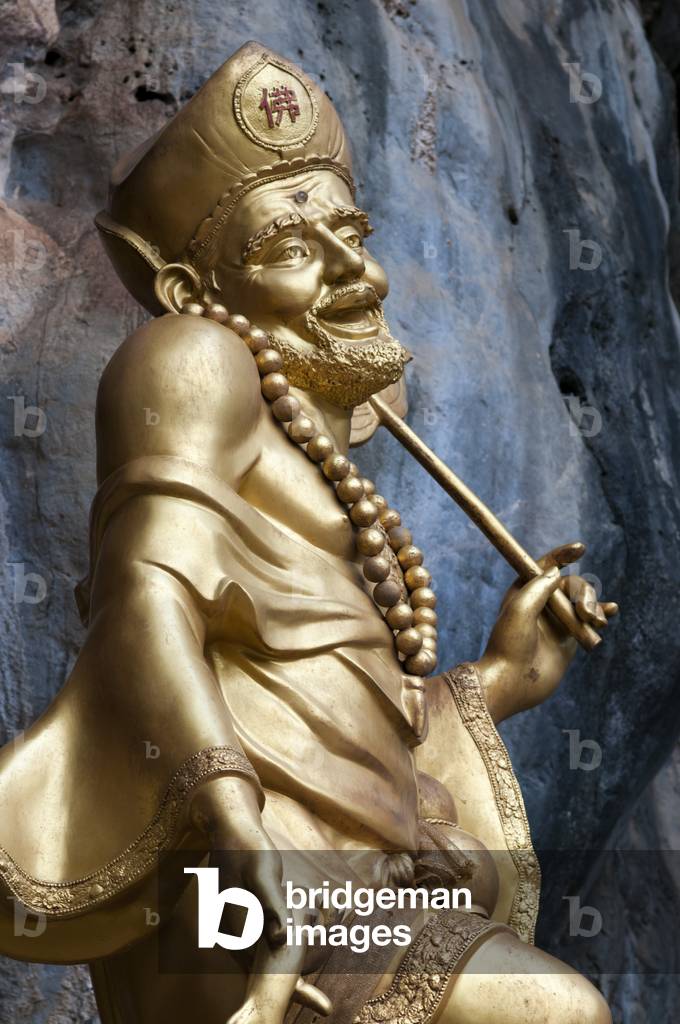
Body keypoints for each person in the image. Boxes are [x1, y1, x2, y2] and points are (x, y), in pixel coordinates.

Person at [0, 42, 617, 1024]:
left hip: (338, 859)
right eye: (288, 248)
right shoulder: (190, 354)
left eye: (347, 232)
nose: (349, 271)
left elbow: (305, 679)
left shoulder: (308, 447)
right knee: (551, 1011)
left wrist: (496, 682)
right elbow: (146, 601)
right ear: (187, 289)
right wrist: (234, 816)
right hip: (247, 870)